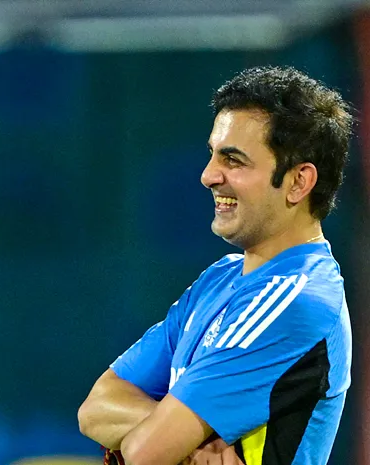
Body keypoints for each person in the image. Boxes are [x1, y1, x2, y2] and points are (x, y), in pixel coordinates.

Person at [78, 66, 353, 465]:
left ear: (298, 182)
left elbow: (144, 453)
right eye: (212, 154)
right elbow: (97, 405)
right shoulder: (220, 279)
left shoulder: (295, 300)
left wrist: (163, 439)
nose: (209, 175)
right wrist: (192, 443)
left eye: (234, 160)